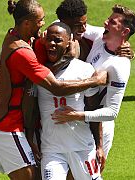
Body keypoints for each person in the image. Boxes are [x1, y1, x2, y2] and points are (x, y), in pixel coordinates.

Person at [0, 0, 107, 179]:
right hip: (8, 126)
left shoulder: (15, 36)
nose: (44, 24)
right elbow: (55, 87)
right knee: (31, 177)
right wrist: (93, 81)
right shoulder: (22, 52)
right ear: (27, 23)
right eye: (41, 20)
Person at [52, 4, 135, 159]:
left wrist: (76, 115)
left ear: (125, 32)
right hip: (79, 122)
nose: (105, 22)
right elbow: (67, 24)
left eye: (112, 22)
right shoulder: (100, 36)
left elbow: (112, 112)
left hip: (99, 127)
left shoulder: (120, 66)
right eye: (108, 18)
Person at [38, 22, 104, 180]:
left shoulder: (84, 69)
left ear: (69, 42)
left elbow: (93, 109)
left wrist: (99, 145)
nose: (52, 44)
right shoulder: (38, 71)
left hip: (82, 147)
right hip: (51, 149)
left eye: (58, 40)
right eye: (49, 39)